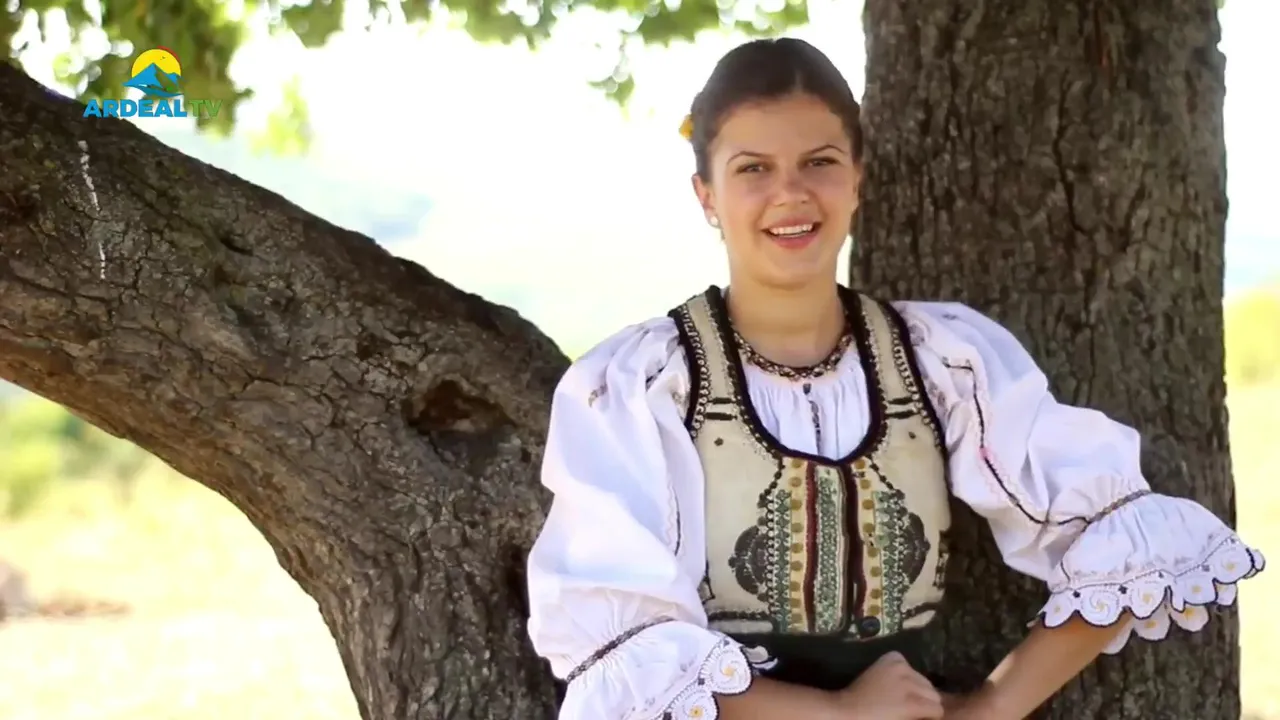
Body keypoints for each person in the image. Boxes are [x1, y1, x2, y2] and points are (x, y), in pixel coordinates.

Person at [524, 37, 1265, 720]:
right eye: (753, 169)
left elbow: (1120, 530)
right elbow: (620, 638)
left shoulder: (941, 362)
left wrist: (989, 709)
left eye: (820, 162)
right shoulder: (642, 386)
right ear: (707, 196)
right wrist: (841, 715)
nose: (791, 193)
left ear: (857, 179)